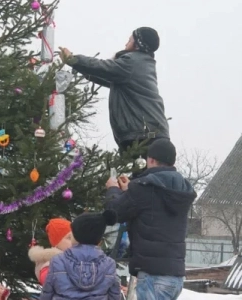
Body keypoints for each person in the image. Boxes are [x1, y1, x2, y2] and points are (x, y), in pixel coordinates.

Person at [104, 139, 197, 300]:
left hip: (153, 276)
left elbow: (115, 212)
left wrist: (113, 189)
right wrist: (130, 191)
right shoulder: (181, 188)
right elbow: (153, 205)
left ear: (151, 159)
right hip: (175, 275)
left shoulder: (144, 187)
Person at [59, 27, 170, 156]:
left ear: (137, 44)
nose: (125, 44)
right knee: (143, 173)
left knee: (145, 173)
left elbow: (103, 67)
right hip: (147, 132)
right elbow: (104, 75)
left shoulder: (132, 62)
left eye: (129, 41)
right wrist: (78, 66)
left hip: (144, 133)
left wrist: (73, 59)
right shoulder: (141, 64)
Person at [39, 210, 121, 300]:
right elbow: (114, 295)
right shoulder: (109, 264)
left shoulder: (58, 261)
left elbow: (47, 293)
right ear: (99, 238)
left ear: (76, 236)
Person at [28, 218, 72, 285]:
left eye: (75, 237)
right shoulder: (50, 265)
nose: (74, 241)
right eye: (69, 238)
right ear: (57, 243)